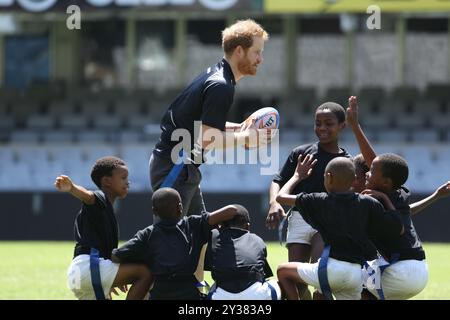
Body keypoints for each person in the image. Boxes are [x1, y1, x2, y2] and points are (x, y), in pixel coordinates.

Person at [150, 19, 270, 218]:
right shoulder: (222, 86)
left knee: (201, 237)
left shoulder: (218, 75)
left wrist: (240, 127)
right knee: (168, 243)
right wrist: (248, 137)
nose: (261, 59)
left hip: (182, 167)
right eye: (257, 52)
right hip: (175, 167)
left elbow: (203, 126)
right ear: (239, 51)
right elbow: (208, 138)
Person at [276, 157, 403, 300]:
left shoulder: (319, 200)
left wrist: (297, 176)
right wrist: (386, 199)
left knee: (283, 271)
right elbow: (398, 227)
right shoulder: (368, 202)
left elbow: (281, 197)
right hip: (355, 274)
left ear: (328, 177)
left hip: (329, 270)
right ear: (355, 179)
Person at [266, 101, 350, 299]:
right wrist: (274, 203)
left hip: (326, 222)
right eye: (318, 123)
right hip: (298, 219)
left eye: (328, 123)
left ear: (342, 126)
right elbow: (277, 181)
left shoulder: (346, 162)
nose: (322, 128)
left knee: (320, 277)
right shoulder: (301, 153)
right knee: (296, 284)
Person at [111, 187, 239, 300]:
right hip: (190, 296)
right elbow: (232, 210)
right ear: (180, 208)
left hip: (160, 294)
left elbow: (117, 255)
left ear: (154, 211)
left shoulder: (147, 234)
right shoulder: (193, 225)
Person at [55, 156, 152, 300]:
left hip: (79, 271)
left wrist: (115, 276)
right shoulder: (100, 198)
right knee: (145, 273)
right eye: (123, 177)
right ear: (106, 181)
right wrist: (72, 188)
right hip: (89, 267)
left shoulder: (105, 210)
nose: (128, 182)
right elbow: (88, 196)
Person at [204, 204, 281, 300]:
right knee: (278, 284)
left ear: (221, 226)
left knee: (209, 287)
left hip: (221, 296)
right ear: (247, 226)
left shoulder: (213, 237)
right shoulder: (257, 239)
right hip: (257, 295)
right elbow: (261, 274)